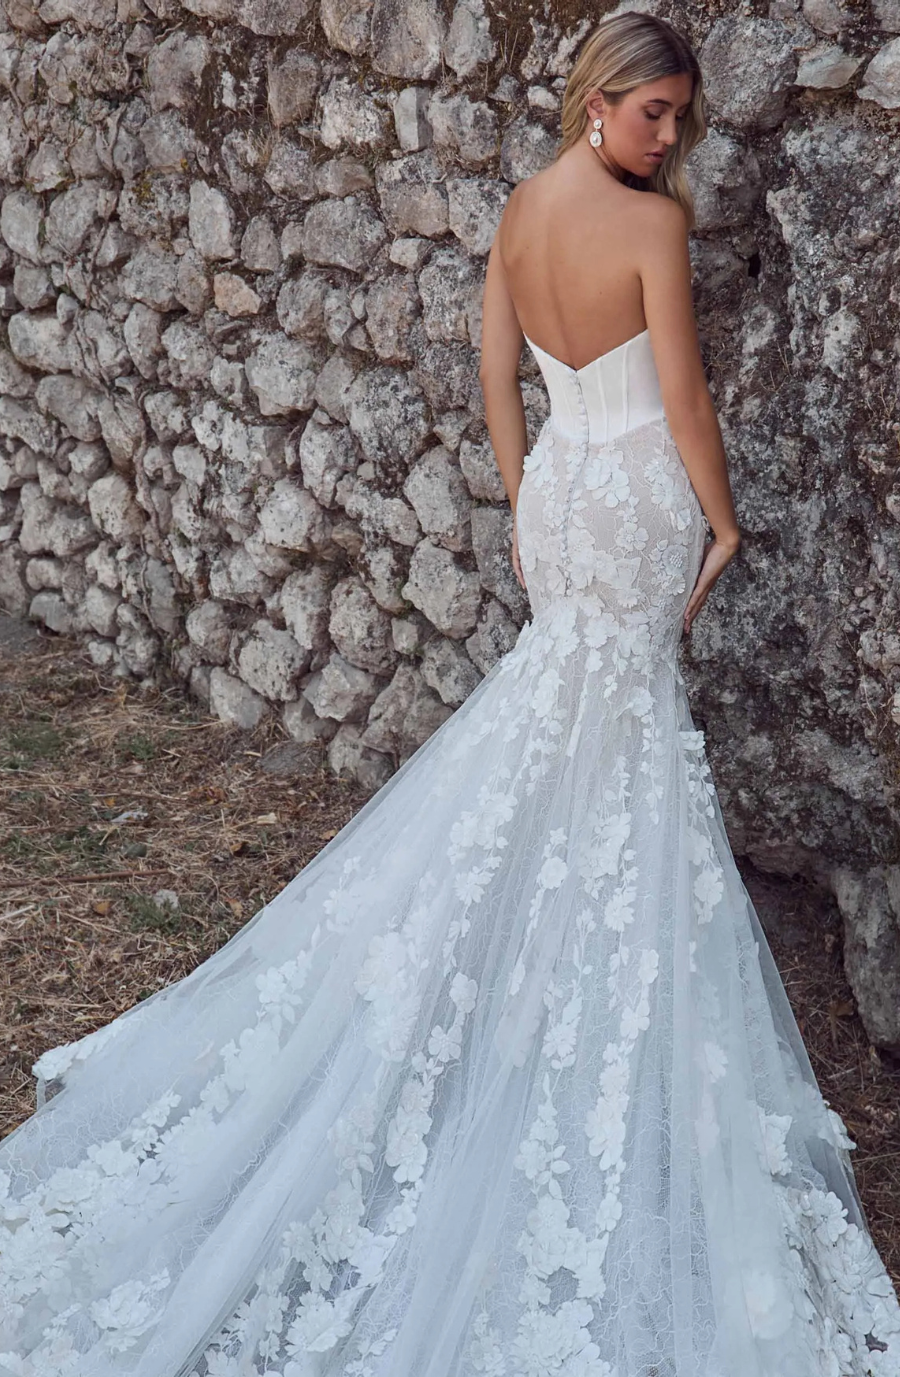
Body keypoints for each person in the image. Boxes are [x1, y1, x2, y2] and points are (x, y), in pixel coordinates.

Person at [1, 11, 898, 1376]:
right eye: (654, 113)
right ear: (599, 101)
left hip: (562, 499)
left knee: (584, 730)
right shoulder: (644, 227)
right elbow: (688, 400)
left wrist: (526, 500)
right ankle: (583, 999)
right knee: (624, 736)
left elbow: (497, 374)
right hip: (644, 496)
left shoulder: (523, 208)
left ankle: (545, 977)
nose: (672, 138)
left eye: (680, 119)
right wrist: (722, 526)